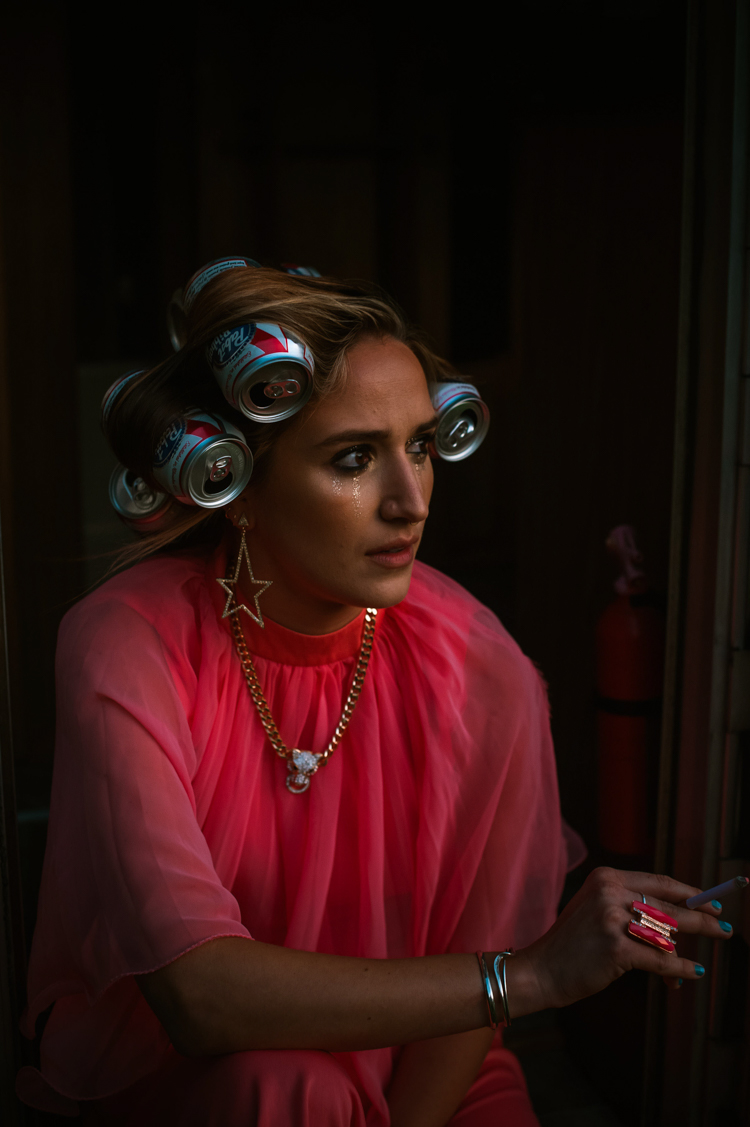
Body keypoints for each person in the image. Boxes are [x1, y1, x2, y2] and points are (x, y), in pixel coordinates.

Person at [16, 266, 730, 1126]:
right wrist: (533, 973)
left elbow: (466, 1014)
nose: (411, 499)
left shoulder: (479, 668)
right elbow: (198, 996)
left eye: (422, 445)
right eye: (354, 457)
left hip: (428, 1079)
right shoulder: (129, 644)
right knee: (284, 1091)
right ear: (238, 488)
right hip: (200, 1085)